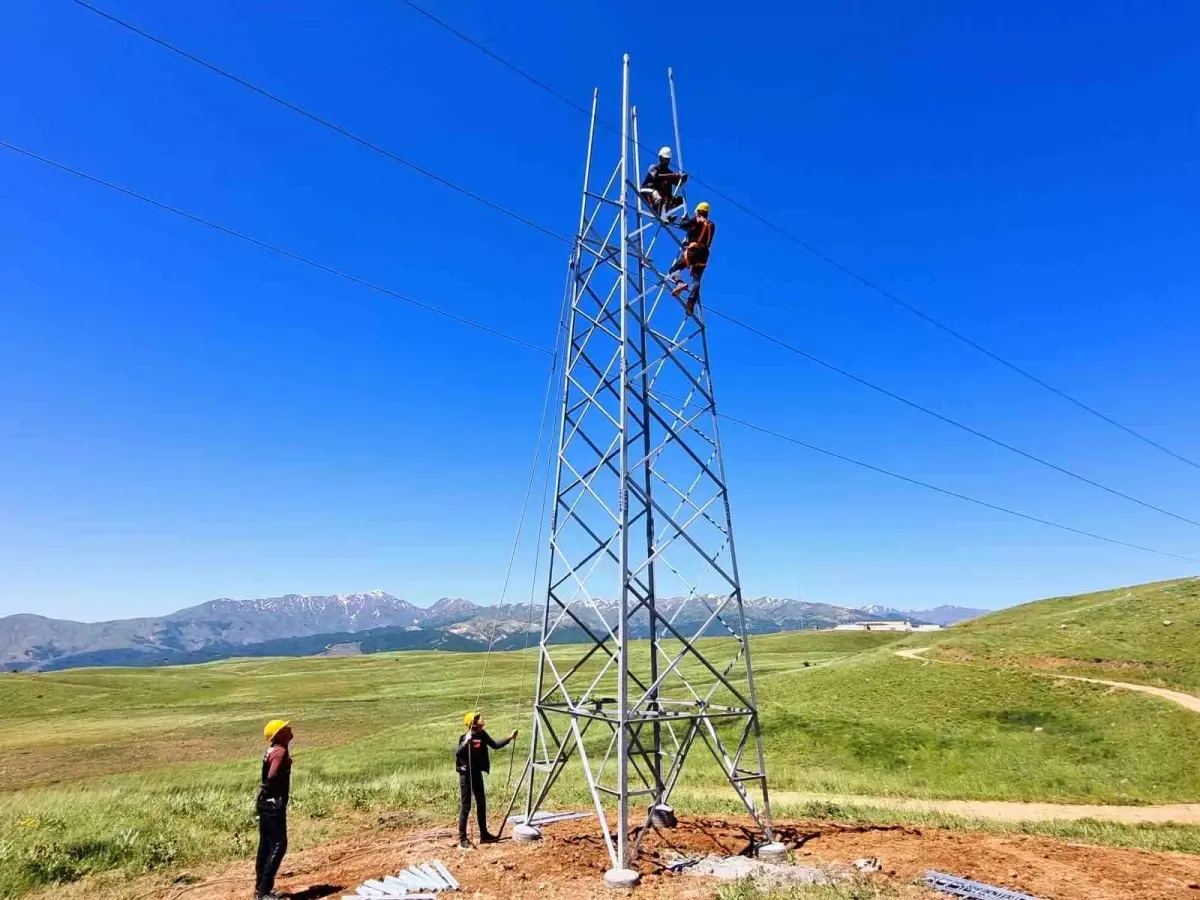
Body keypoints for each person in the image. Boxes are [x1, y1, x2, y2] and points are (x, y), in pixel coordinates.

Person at [455, 712, 517, 849]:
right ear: (474, 723)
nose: (483, 718)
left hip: (476, 773)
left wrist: (509, 738)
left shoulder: (482, 734)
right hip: (466, 774)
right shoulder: (466, 737)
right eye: (479, 718)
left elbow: (494, 745)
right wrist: (467, 742)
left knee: (481, 803)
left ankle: (484, 835)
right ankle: (463, 839)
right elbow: (458, 753)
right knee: (466, 806)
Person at [255, 719, 293, 900]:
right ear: (279, 734)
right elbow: (272, 776)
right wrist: (275, 794)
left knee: (265, 846)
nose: (290, 729)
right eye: (285, 728)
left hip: (265, 802)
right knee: (279, 845)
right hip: (273, 804)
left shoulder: (274, 749)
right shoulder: (280, 751)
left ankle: (261, 889)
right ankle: (263, 892)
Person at [668, 201, 715, 315]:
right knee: (696, 279)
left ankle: (679, 283)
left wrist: (685, 219)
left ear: (698, 212)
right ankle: (690, 303)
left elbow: (683, 225)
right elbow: (698, 232)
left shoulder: (696, 219)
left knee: (673, 269)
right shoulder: (711, 225)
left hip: (693, 250)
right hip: (704, 254)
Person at [639, 146, 687, 219]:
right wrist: (673, 175)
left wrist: (682, 179)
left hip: (660, 197)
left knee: (678, 200)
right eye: (665, 159)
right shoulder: (654, 167)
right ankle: (659, 211)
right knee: (656, 194)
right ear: (660, 158)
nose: (666, 162)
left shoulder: (668, 172)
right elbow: (656, 176)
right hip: (647, 190)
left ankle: (666, 215)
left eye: (667, 160)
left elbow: (677, 183)